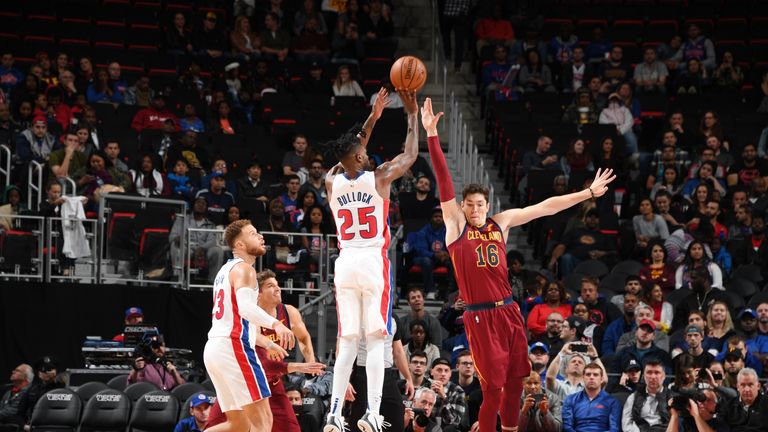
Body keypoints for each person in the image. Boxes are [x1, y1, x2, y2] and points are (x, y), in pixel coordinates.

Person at [422, 96, 615, 432]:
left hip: (509, 310)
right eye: (470, 205)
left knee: (517, 382)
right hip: (480, 314)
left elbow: (547, 207)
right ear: (463, 208)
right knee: (492, 389)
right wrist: (432, 136)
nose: (476, 209)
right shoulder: (456, 228)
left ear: (487, 204)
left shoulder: (501, 222)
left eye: (480, 204)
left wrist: (588, 193)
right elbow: (443, 181)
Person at [323, 87, 418, 432]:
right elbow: (410, 155)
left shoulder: (330, 180)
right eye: (363, 151)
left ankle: (333, 414)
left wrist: (373, 117)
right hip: (371, 262)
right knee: (376, 337)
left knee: (348, 338)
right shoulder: (380, 177)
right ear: (361, 158)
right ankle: (372, 412)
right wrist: (410, 113)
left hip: (344, 261)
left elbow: (350, 147)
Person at [203, 219, 295, 432]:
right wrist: (276, 325)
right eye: (253, 234)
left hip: (215, 349)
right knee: (263, 422)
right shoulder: (245, 269)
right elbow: (245, 309)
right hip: (233, 348)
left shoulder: (224, 271)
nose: (261, 236)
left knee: (238, 424)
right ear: (240, 245)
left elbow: (235, 319)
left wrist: (268, 344)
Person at [562, 363, 620, 432]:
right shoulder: (570, 399)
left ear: (601, 379)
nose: (591, 377)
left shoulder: (612, 401)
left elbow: (614, 429)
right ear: (583, 378)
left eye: (595, 375)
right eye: (588, 374)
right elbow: (567, 427)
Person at [621, 359, 671, 432]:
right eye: (649, 373)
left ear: (664, 376)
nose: (653, 377)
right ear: (644, 376)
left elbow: (677, 424)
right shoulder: (633, 397)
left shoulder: (672, 397)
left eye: (657, 373)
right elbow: (626, 423)